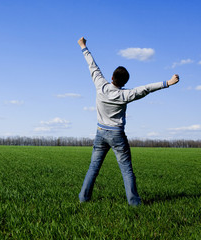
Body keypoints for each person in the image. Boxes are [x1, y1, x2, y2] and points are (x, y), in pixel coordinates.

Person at [77, 37, 179, 206]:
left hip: (100, 133)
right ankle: (134, 203)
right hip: (117, 134)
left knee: (93, 167)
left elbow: (92, 66)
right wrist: (167, 83)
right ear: (125, 83)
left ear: (111, 77)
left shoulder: (101, 86)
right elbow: (146, 89)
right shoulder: (126, 94)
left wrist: (83, 46)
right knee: (126, 169)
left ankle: (83, 198)